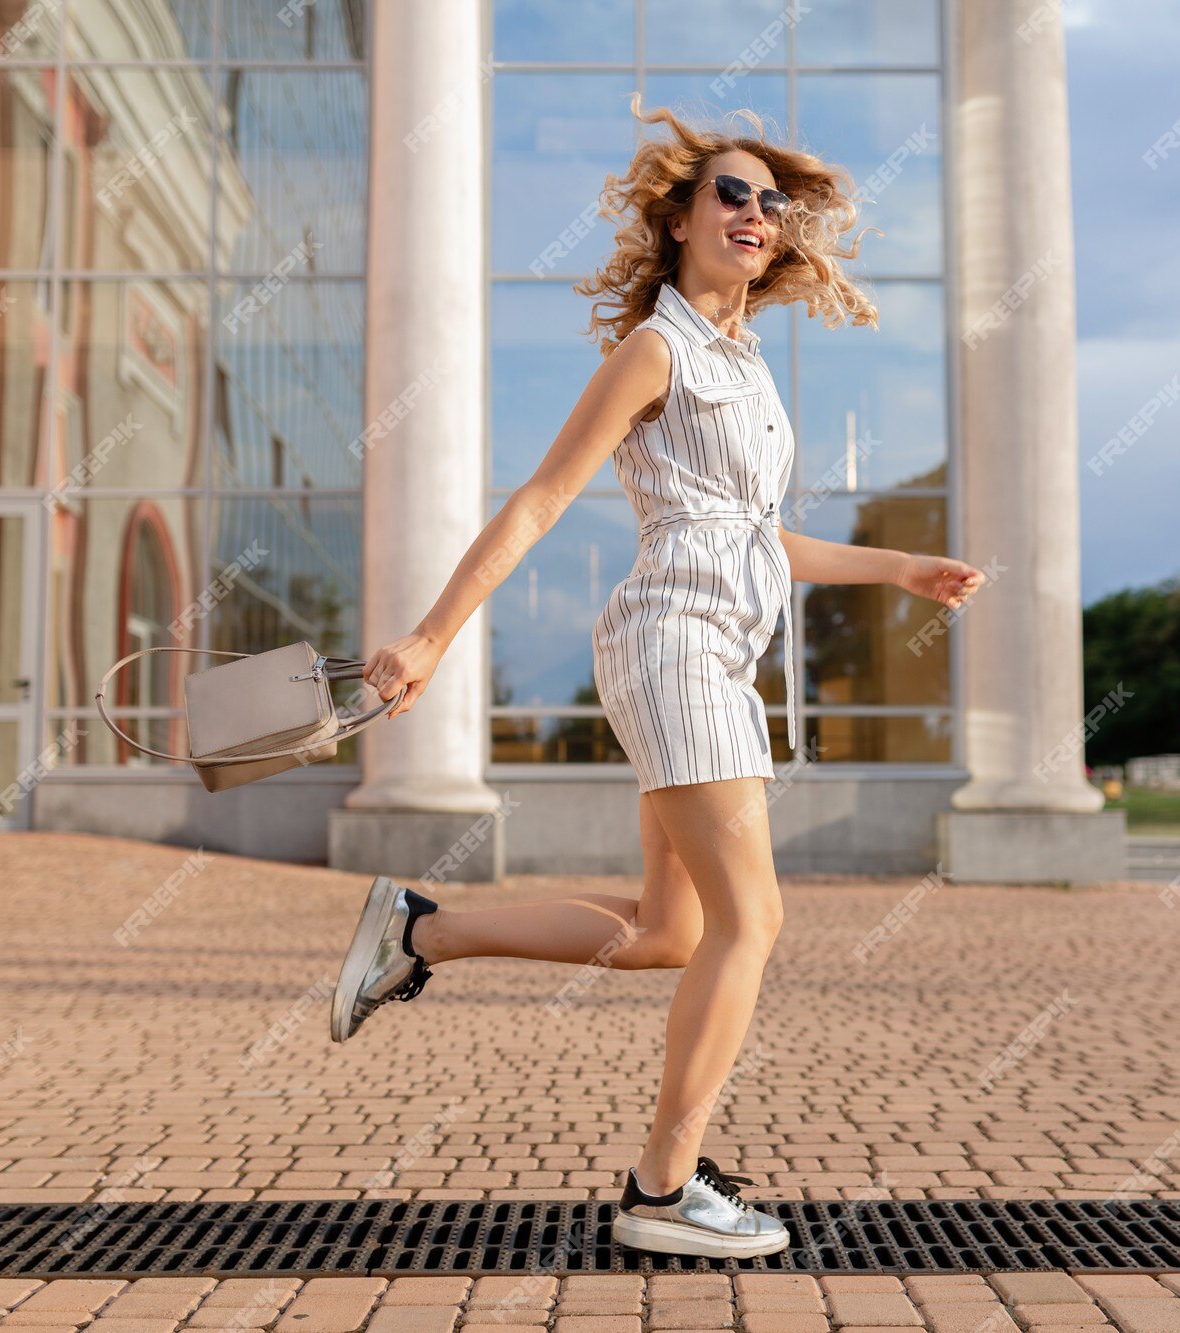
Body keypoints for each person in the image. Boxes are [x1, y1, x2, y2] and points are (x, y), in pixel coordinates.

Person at [330, 96, 987, 1260]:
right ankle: (660, 1188)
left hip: (717, 650)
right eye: (729, 193)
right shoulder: (656, 349)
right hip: (672, 640)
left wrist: (898, 569)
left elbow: (755, 534)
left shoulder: (742, 367)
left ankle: (418, 933)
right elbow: (539, 498)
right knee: (756, 918)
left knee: (668, 933)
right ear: (681, 218)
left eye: (769, 201)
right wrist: (431, 637)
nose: (754, 212)